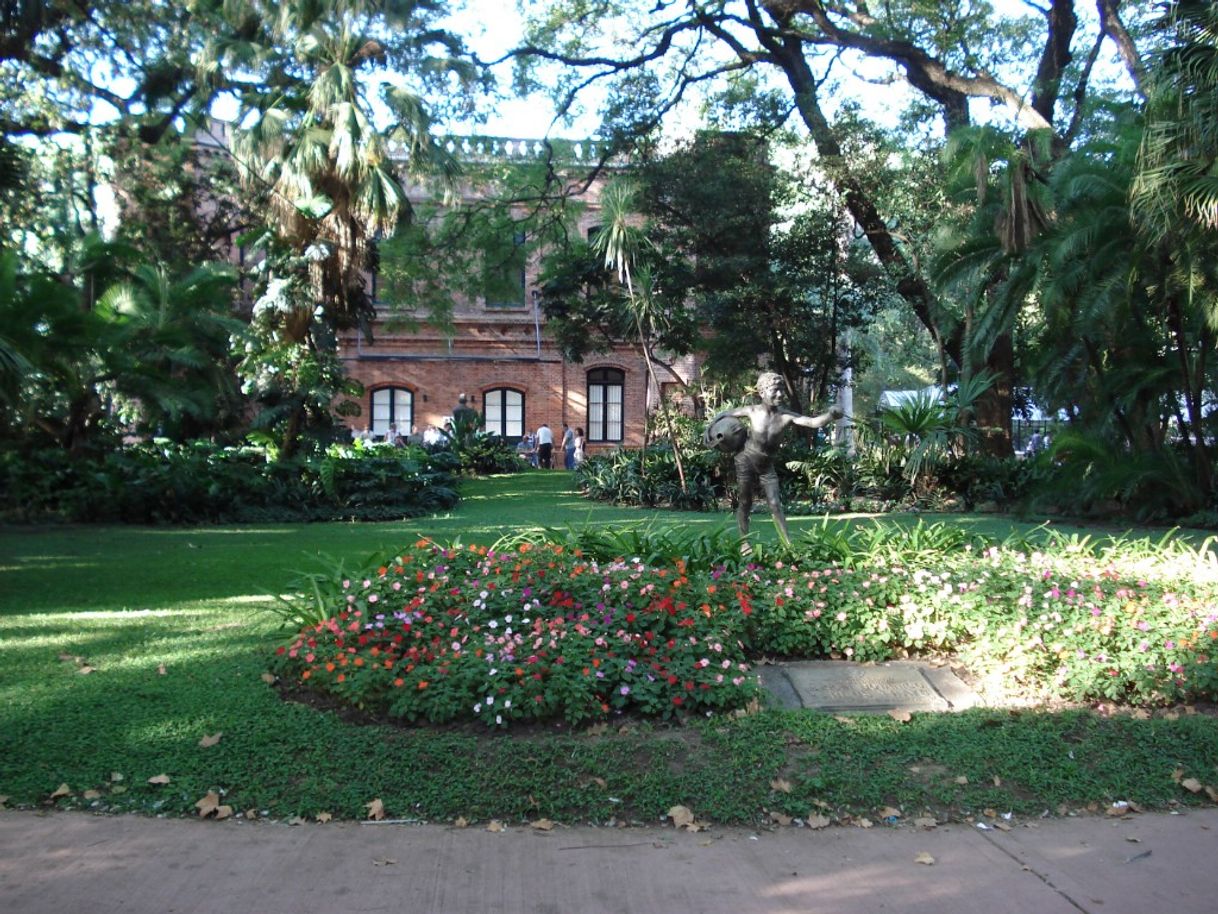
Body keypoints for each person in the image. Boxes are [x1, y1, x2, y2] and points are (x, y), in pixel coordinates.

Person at [705, 371, 842, 545]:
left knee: (775, 503)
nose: (780, 394)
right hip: (745, 459)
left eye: (782, 390)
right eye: (775, 390)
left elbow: (813, 422)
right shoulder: (752, 411)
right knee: (745, 501)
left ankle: (787, 544)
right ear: (762, 393)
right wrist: (708, 433)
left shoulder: (786, 417)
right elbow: (723, 414)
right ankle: (744, 542)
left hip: (766, 465)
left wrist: (831, 415)